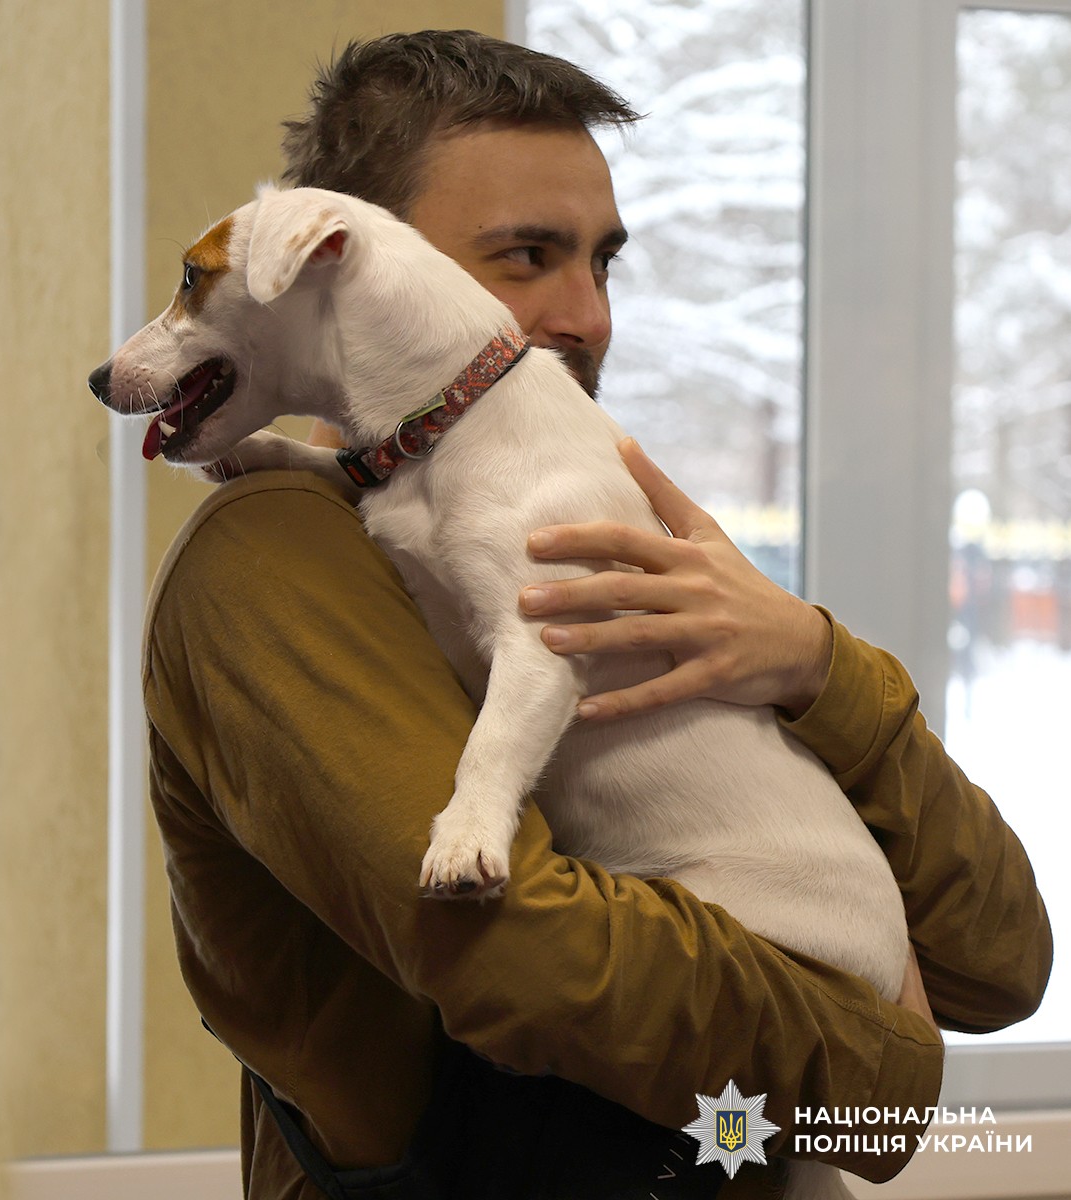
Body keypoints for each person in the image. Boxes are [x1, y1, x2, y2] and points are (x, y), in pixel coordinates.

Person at [142, 29, 1051, 1200]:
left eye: (602, 263)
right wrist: (884, 1064)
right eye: (524, 256)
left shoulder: (566, 507)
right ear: (349, 265)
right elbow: (516, 955)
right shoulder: (274, 554)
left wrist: (814, 666)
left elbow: (996, 961)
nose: (584, 314)